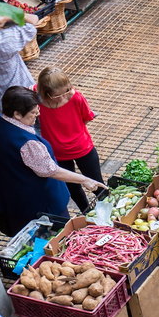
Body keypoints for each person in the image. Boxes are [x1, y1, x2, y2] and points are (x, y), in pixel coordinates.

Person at [0, 87, 103, 237]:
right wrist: (84, 179)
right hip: (40, 202)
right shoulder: (28, 143)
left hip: (11, 195)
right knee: (59, 236)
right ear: (17, 114)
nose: (37, 115)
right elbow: (51, 170)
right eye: (33, 113)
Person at [35, 68, 102, 215]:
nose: (61, 98)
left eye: (66, 92)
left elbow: (86, 117)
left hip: (82, 147)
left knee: (97, 183)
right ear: (45, 93)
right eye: (55, 96)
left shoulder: (76, 97)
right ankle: (87, 213)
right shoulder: (36, 99)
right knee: (73, 188)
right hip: (57, 153)